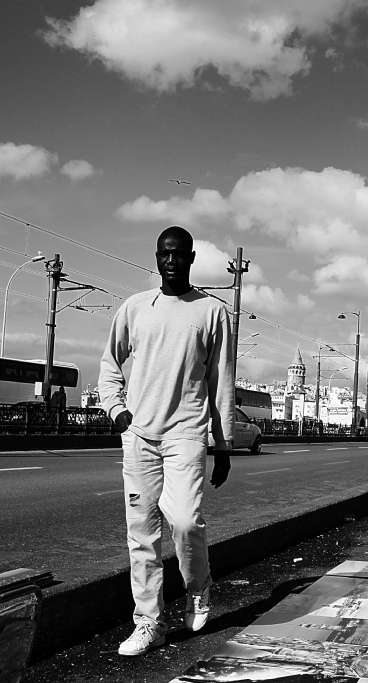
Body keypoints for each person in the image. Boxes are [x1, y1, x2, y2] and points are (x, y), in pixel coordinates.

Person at [98, 225, 234, 656]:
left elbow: (221, 382)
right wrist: (116, 409)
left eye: (179, 254)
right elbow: (109, 364)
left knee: (185, 520)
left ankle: (198, 589)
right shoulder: (136, 308)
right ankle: (149, 623)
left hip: (186, 435)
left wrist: (223, 444)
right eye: (164, 254)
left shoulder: (212, 312)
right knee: (142, 535)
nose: (171, 260)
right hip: (139, 437)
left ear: (191, 259)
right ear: (156, 258)